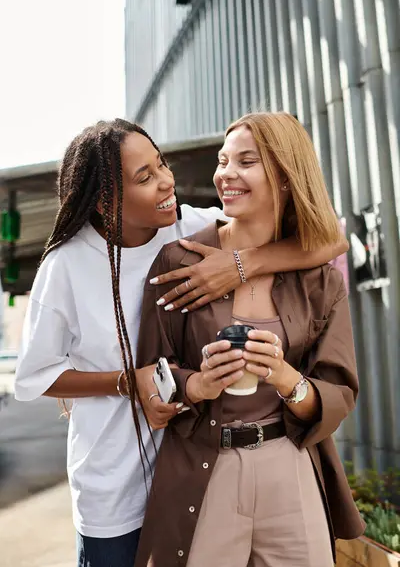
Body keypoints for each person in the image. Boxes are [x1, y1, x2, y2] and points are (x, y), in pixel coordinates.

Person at [14, 118, 347, 567]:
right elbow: (35, 378)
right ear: (105, 201)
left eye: (162, 164)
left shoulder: (187, 225)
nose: (167, 181)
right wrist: (129, 382)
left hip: (192, 465)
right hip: (116, 480)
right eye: (145, 177)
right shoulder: (66, 264)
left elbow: (328, 242)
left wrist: (242, 265)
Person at [134, 112, 365, 567]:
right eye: (223, 161)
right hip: (205, 465)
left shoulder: (319, 279)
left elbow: (339, 390)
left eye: (246, 161)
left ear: (283, 176)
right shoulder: (178, 261)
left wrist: (286, 378)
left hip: (289, 464)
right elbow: (150, 375)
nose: (226, 174)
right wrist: (196, 384)